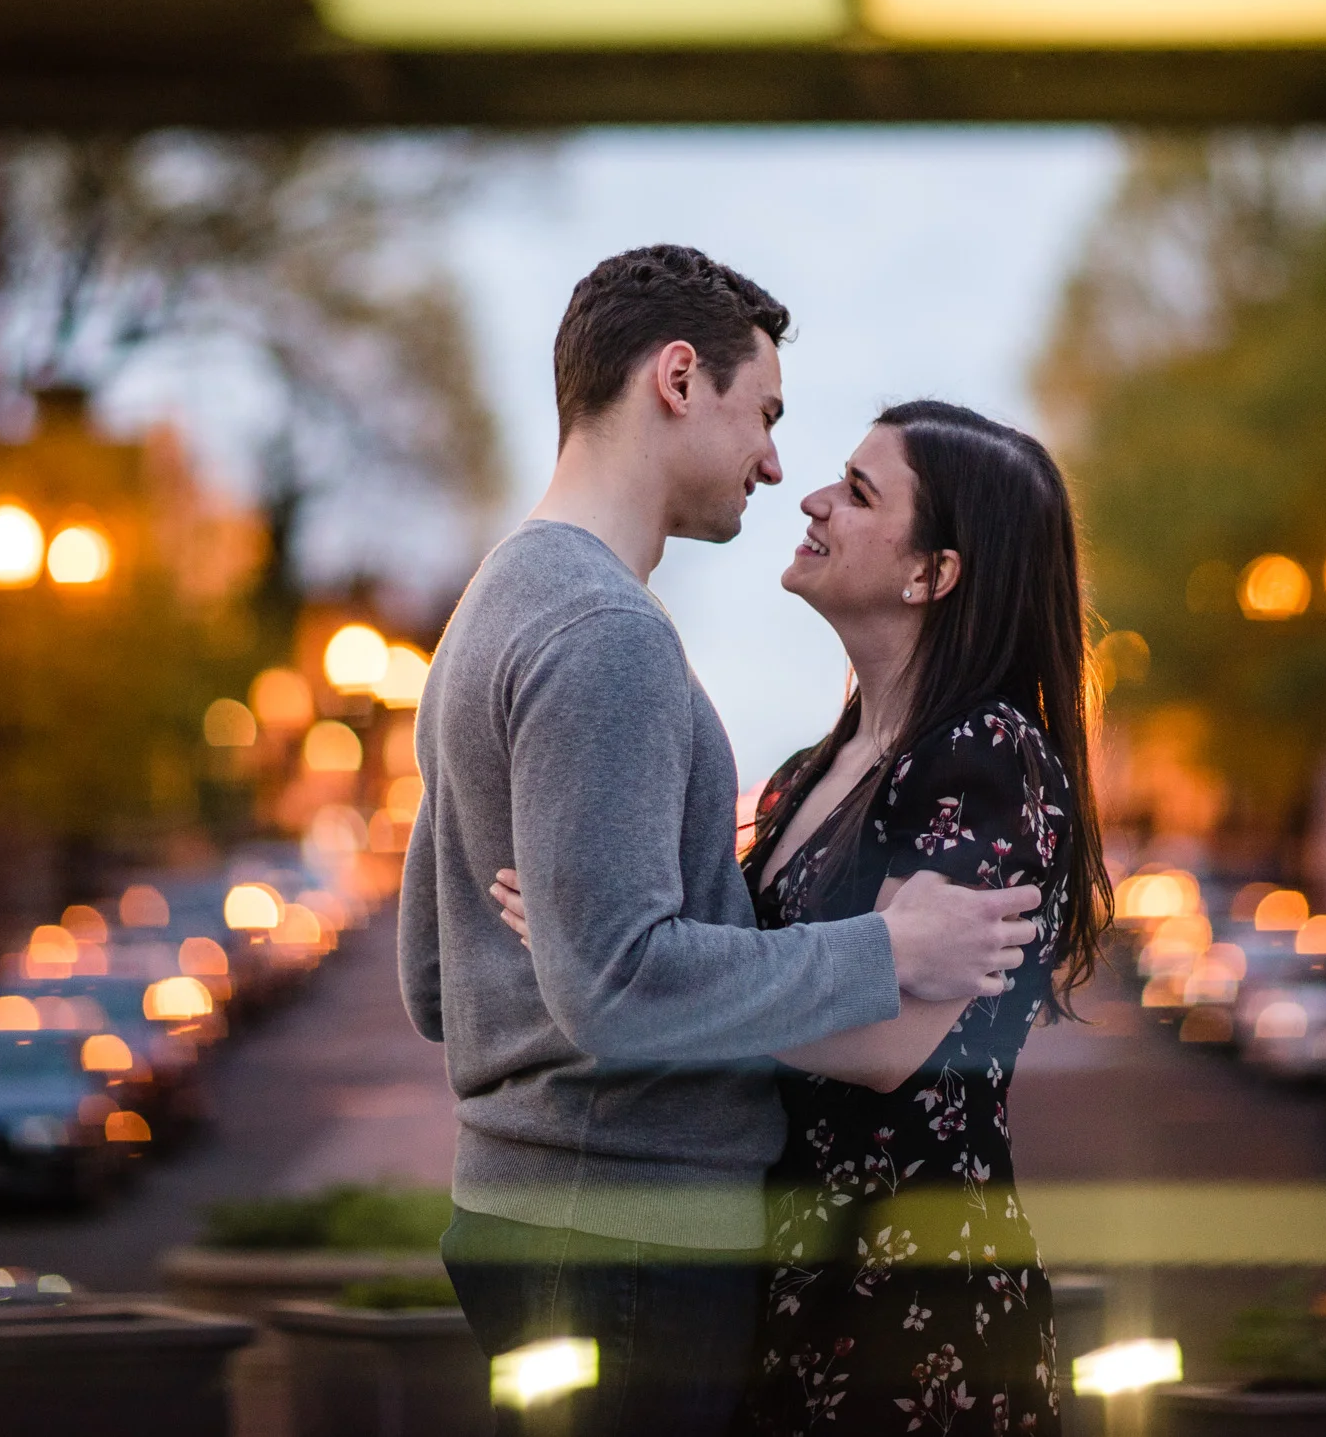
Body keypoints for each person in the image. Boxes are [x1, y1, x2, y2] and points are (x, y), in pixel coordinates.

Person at [399, 247, 1042, 1437]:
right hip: (627, 1229)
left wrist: (584, 953)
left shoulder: (493, 603)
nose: (778, 466)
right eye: (768, 414)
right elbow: (617, 980)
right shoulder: (608, 634)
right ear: (679, 379)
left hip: (547, 1219)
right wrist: (883, 950)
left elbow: (435, 978)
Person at [497, 399, 1109, 1435]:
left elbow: (879, 1043)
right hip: (779, 1277)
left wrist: (628, 981)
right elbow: (744, 964)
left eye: (860, 493)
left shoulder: (990, 761)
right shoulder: (806, 774)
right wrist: (602, 941)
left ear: (934, 573)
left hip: (908, 1309)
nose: (813, 498)